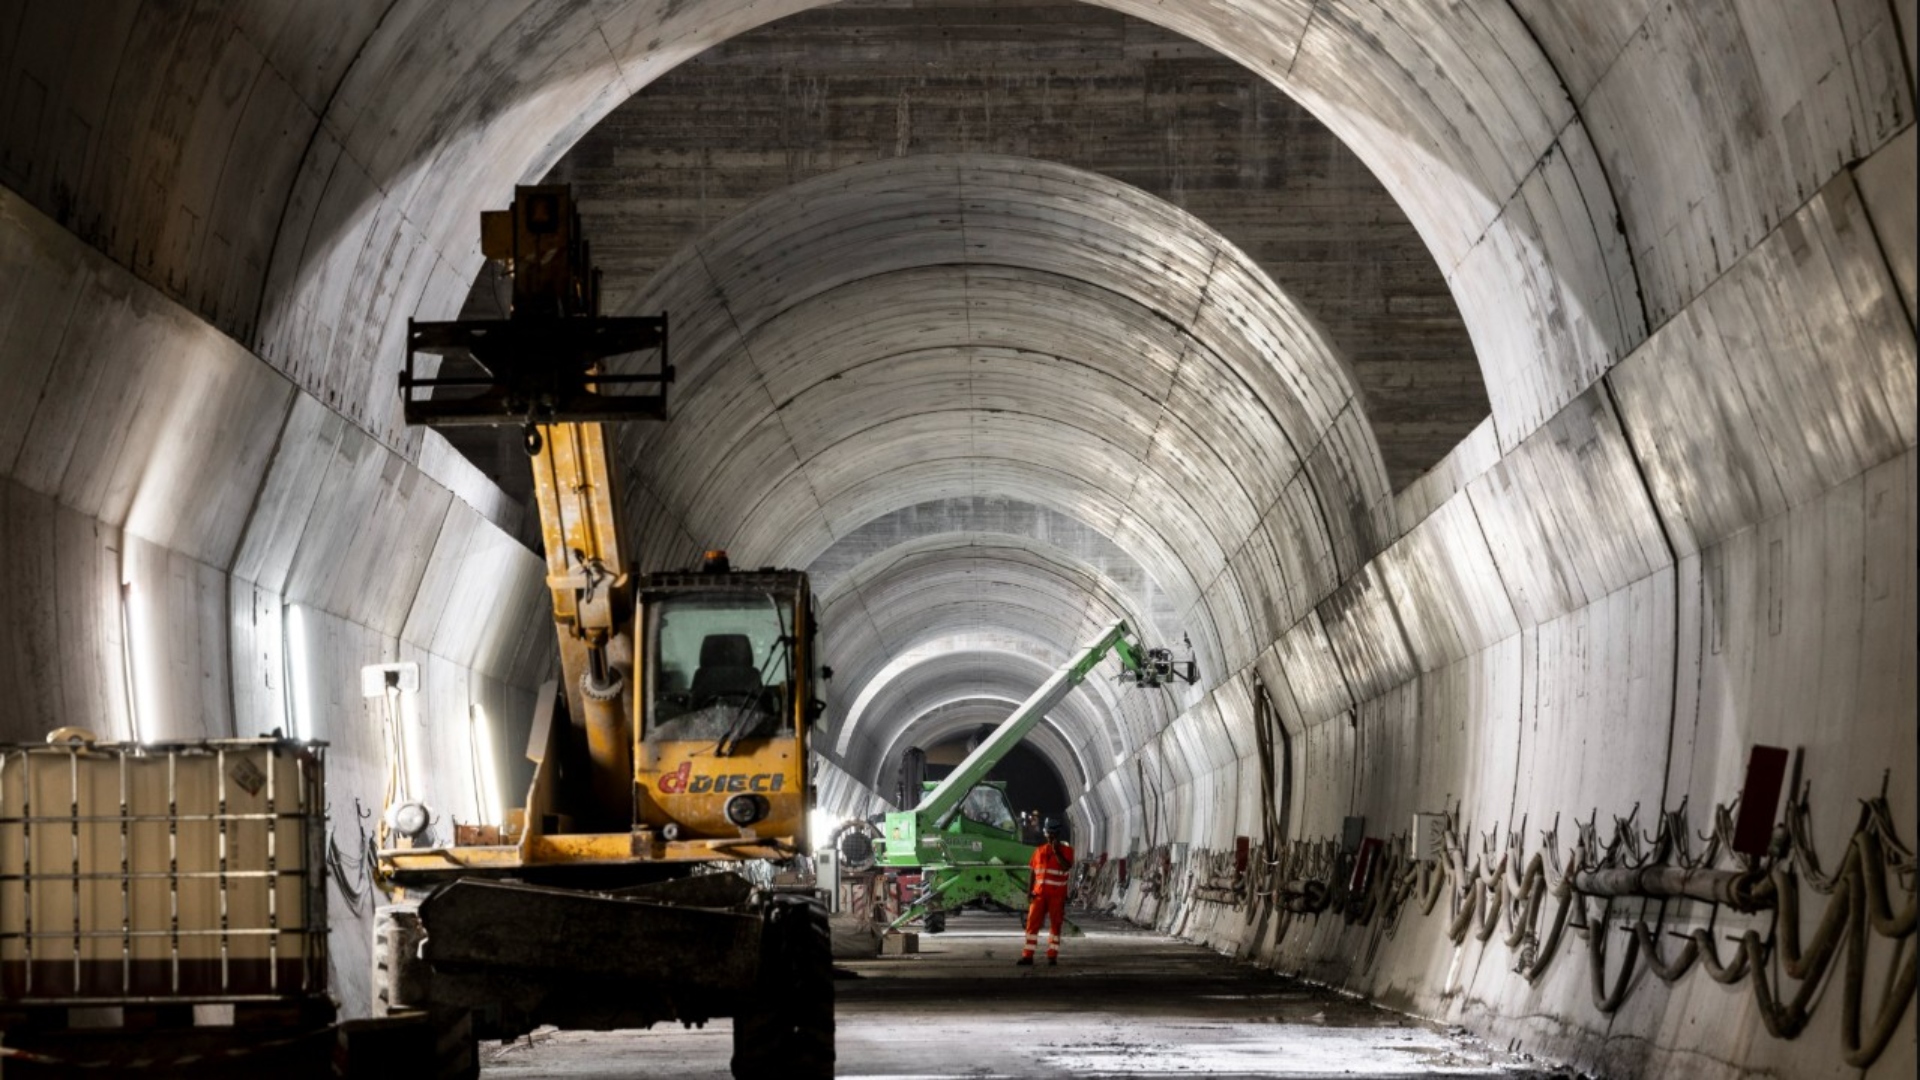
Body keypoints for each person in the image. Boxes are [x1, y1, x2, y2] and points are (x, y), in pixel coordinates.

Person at [1016, 817, 1073, 966]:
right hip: (1039, 895)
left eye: (1052, 834)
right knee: (1032, 924)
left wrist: (1057, 852)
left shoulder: (1066, 851)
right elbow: (1033, 873)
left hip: (1056, 896)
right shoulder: (1039, 851)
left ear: (1057, 834)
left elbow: (1066, 866)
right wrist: (1029, 892)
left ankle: (1052, 956)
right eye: (1048, 833)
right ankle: (1028, 956)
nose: (1050, 836)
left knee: (1055, 925)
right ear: (1045, 834)